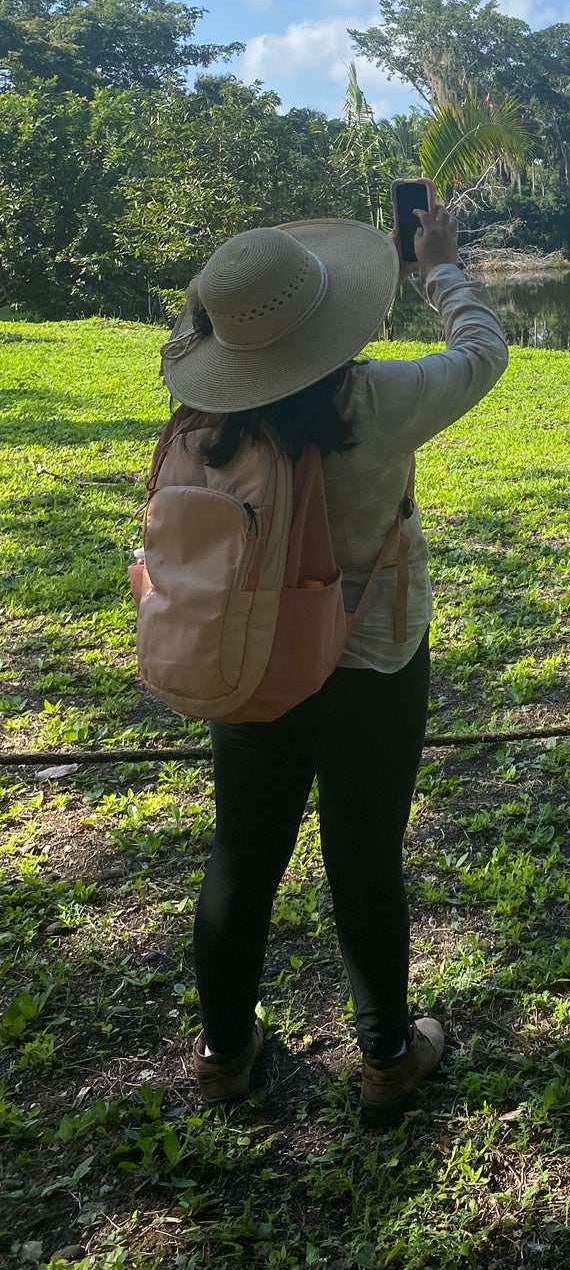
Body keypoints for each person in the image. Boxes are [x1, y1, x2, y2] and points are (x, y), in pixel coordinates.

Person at [156, 203, 508, 1112]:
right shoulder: (376, 401)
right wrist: (437, 267)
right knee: (363, 856)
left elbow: (203, 339)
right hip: (372, 659)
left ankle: (225, 1053)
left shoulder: (205, 420)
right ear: (330, 321)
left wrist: (225, 320)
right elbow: (481, 353)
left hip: (250, 657)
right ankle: (389, 1056)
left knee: (241, 853)